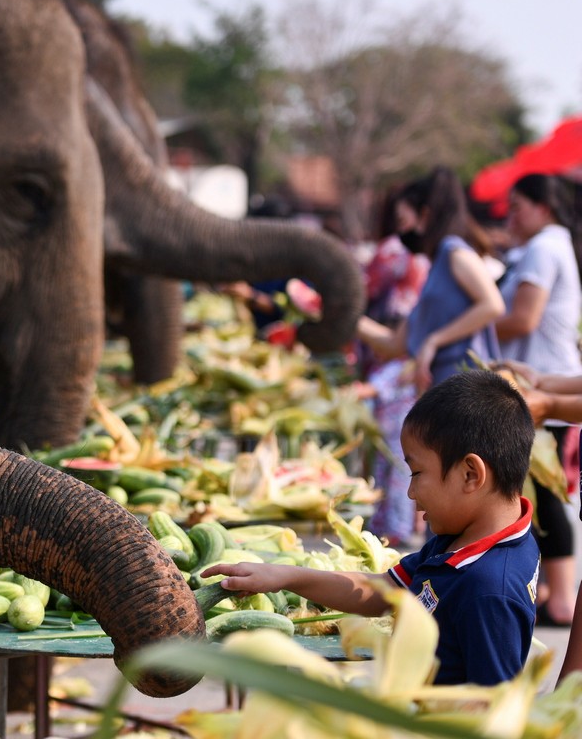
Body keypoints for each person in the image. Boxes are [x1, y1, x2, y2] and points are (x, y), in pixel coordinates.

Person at [205, 369, 539, 686]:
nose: (410, 492)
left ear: (470, 474)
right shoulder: (463, 540)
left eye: (417, 473)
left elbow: (494, 710)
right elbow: (384, 592)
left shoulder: (489, 589)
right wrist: (286, 576)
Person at [494, 173, 581, 628]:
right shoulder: (546, 246)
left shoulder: (545, 247)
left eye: (517, 206)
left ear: (543, 207)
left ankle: (562, 597)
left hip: (548, 395)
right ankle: (552, 591)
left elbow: (522, 319)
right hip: (548, 384)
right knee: (541, 496)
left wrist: (477, 327)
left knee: (546, 498)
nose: (510, 215)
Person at [355, 166, 505, 393]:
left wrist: (435, 340)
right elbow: (395, 344)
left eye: (403, 221)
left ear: (424, 216)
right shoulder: (435, 269)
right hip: (445, 392)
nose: (401, 231)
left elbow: (492, 305)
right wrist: (345, 317)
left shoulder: (453, 252)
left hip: (468, 393)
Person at [359, 187, 430, 549]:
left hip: (398, 374)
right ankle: (396, 527)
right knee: (399, 461)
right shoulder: (427, 262)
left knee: (400, 461)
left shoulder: (400, 256)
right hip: (396, 371)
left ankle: (395, 529)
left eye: (405, 221)